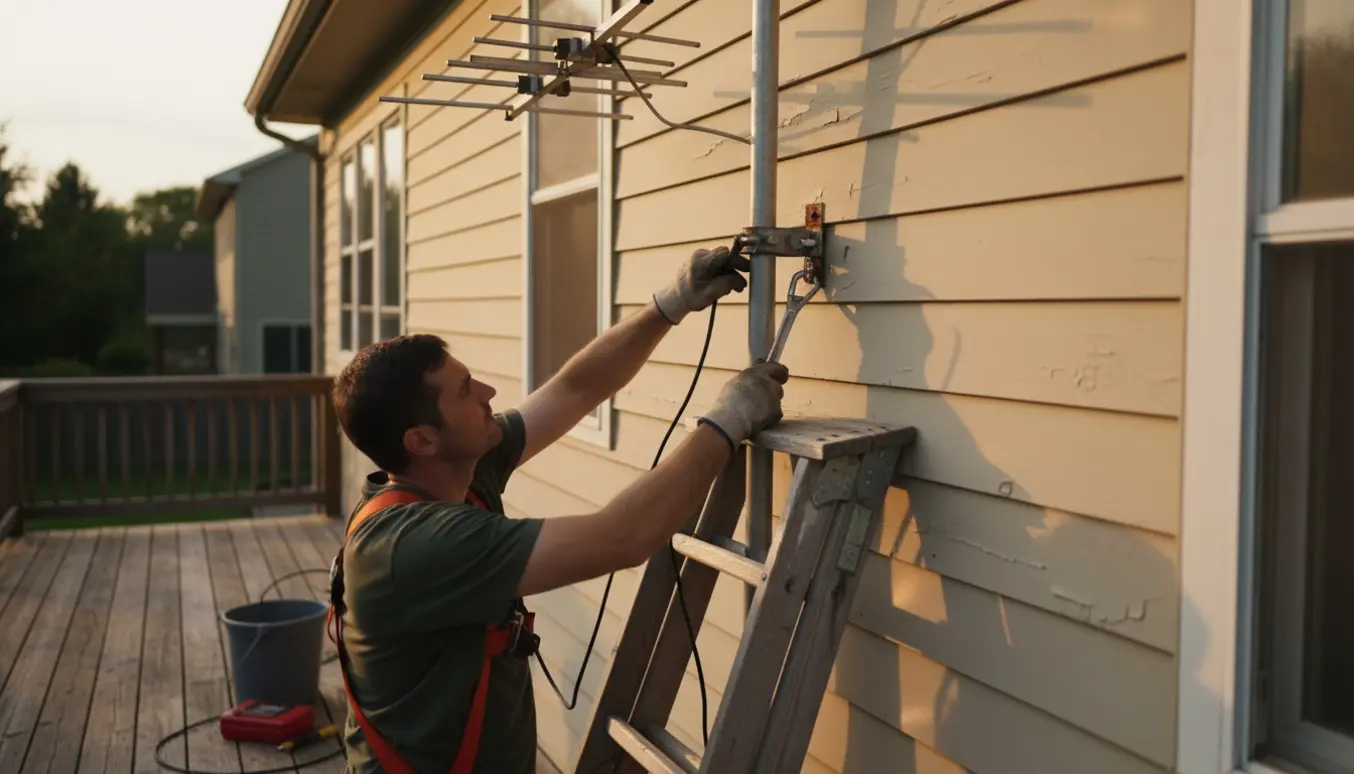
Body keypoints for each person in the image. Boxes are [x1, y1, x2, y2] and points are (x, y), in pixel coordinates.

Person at [327, 244, 791, 774]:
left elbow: (574, 389)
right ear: (423, 440)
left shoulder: (456, 469)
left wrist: (669, 304)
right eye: (464, 391)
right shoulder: (412, 546)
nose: (488, 391)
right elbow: (623, 537)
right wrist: (729, 420)